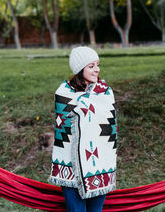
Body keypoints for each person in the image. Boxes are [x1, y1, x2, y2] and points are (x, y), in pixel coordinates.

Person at [49, 46, 117, 212]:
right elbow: (63, 129)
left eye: (98, 65)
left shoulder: (105, 93)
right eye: (91, 66)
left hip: (100, 167)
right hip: (70, 167)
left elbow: (109, 130)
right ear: (80, 69)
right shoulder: (64, 93)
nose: (97, 70)